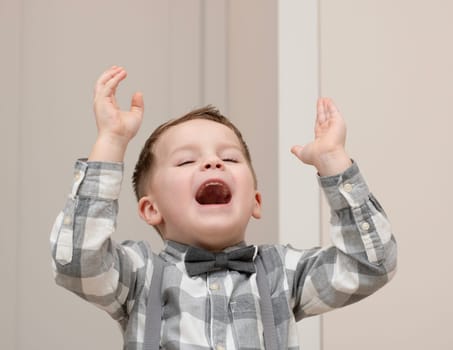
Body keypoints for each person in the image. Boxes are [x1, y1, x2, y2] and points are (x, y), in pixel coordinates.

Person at [50, 66, 397, 350]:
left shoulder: (282, 274)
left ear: (255, 203)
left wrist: (334, 161)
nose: (213, 163)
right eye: (186, 161)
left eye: (229, 157)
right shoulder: (140, 274)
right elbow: (77, 262)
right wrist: (110, 141)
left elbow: (370, 264)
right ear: (151, 210)